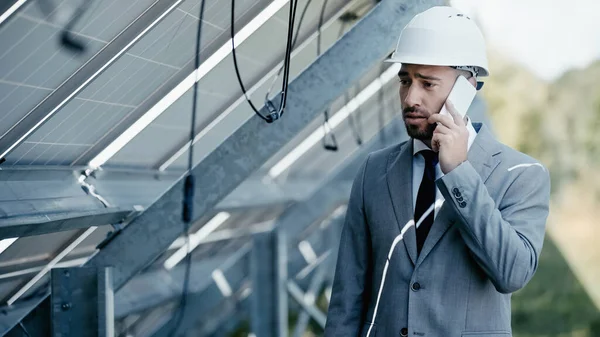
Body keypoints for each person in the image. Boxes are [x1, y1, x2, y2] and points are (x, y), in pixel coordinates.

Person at [324, 6, 551, 337]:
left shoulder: (521, 174)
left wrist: (458, 172)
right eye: (405, 80)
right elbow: (347, 298)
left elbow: (511, 273)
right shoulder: (374, 171)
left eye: (427, 83)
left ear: (467, 88)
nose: (410, 97)